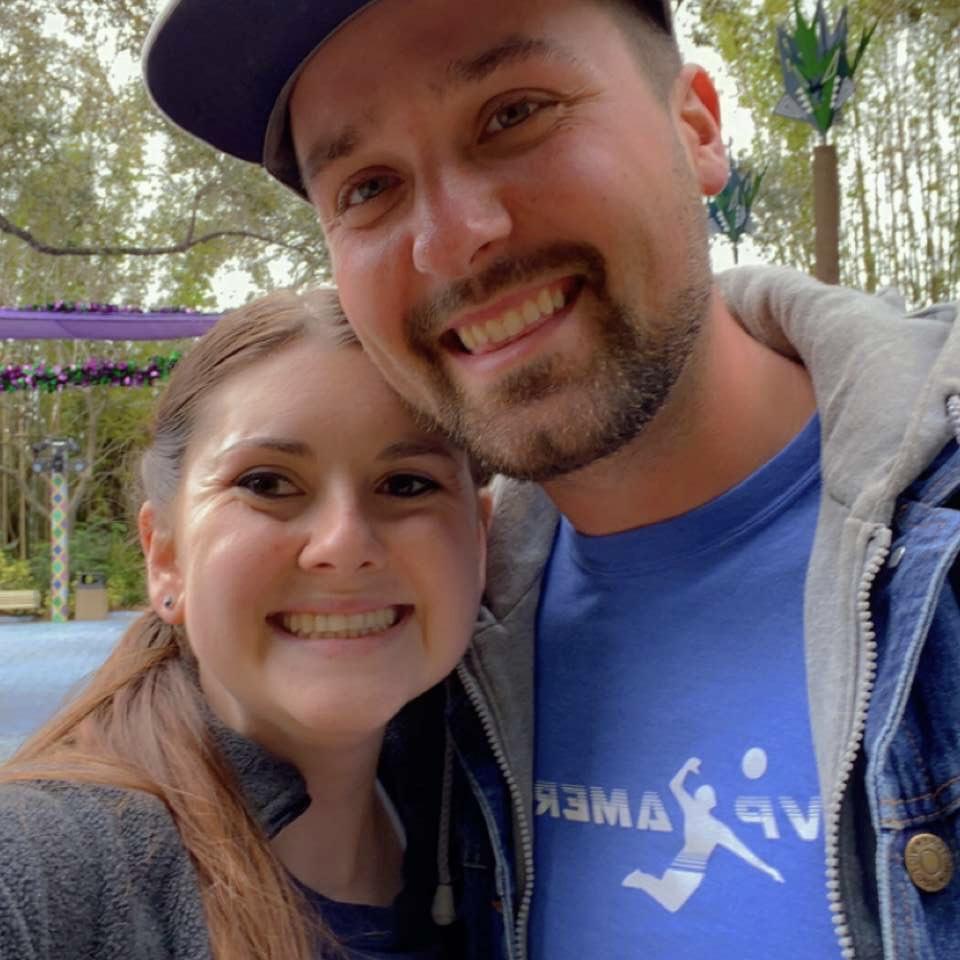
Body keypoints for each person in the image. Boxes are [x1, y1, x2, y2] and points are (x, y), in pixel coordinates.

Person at [143, 2, 960, 957]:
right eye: (368, 186)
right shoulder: (420, 657)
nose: (454, 241)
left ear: (696, 127)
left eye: (514, 114)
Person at [0, 288, 493, 959]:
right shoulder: (47, 861)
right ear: (166, 556)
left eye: (407, 484)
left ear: (480, 540)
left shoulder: (485, 821)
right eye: (267, 482)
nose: (343, 544)